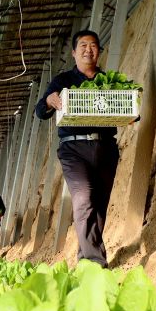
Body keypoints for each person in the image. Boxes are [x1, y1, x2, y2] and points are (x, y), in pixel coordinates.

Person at [34, 29, 119, 268]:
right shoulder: (62, 81)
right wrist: (50, 101)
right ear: (74, 52)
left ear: (99, 51)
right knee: (83, 199)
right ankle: (94, 262)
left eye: (93, 45)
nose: (88, 50)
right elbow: (40, 111)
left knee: (99, 204)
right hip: (73, 148)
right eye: (82, 45)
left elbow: (131, 110)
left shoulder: (109, 82)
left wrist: (132, 114)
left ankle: (86, 256)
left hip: (105, 147)